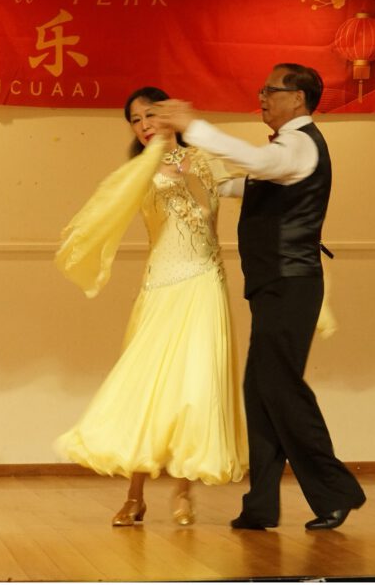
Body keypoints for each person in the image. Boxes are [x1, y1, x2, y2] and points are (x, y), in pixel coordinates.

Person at [156, 63, 366, 531]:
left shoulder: (299, 144)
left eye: (271, 90)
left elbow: (260, 164)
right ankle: (261, 504)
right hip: (276, 284)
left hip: (291, 283)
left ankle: (337, 491)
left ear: (298, 98)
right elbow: (251, 181)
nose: (263, 98)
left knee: (281, 387)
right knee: (261, 391)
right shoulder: (287, 149)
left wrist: (194, 127)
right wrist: (198, 172)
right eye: (263, 90)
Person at [54, 86, 247, 527]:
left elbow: (240, 189)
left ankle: (184, 492)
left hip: (205, 282)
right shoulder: (136, 172)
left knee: (196, 388)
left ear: (168, 115)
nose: (144, 125)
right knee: (147, 388)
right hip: (161, 286)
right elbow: (103, 213)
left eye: (150, 115)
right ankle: (135, 495)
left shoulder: (203, 159)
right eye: (136, 120)